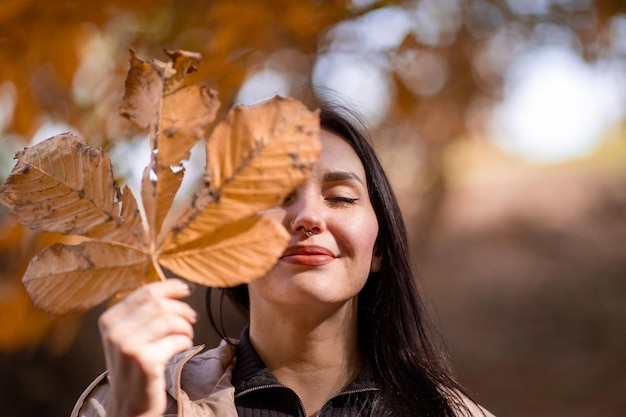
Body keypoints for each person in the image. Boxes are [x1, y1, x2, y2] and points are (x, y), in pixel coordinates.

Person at [71, 105, 494, 417]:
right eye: (275, 198)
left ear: (379, 248)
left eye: (342, 198)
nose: (308, 217)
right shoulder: (136, 400)